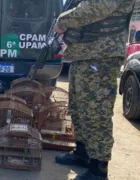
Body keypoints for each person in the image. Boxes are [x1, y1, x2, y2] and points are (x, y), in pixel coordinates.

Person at [53, 0, 135, 179]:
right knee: (78, 107)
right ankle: (83, 153)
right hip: (84, 53)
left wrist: (63, 21)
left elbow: (98, 6)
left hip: (102, 55)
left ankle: (99, 168)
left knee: (95, 111)